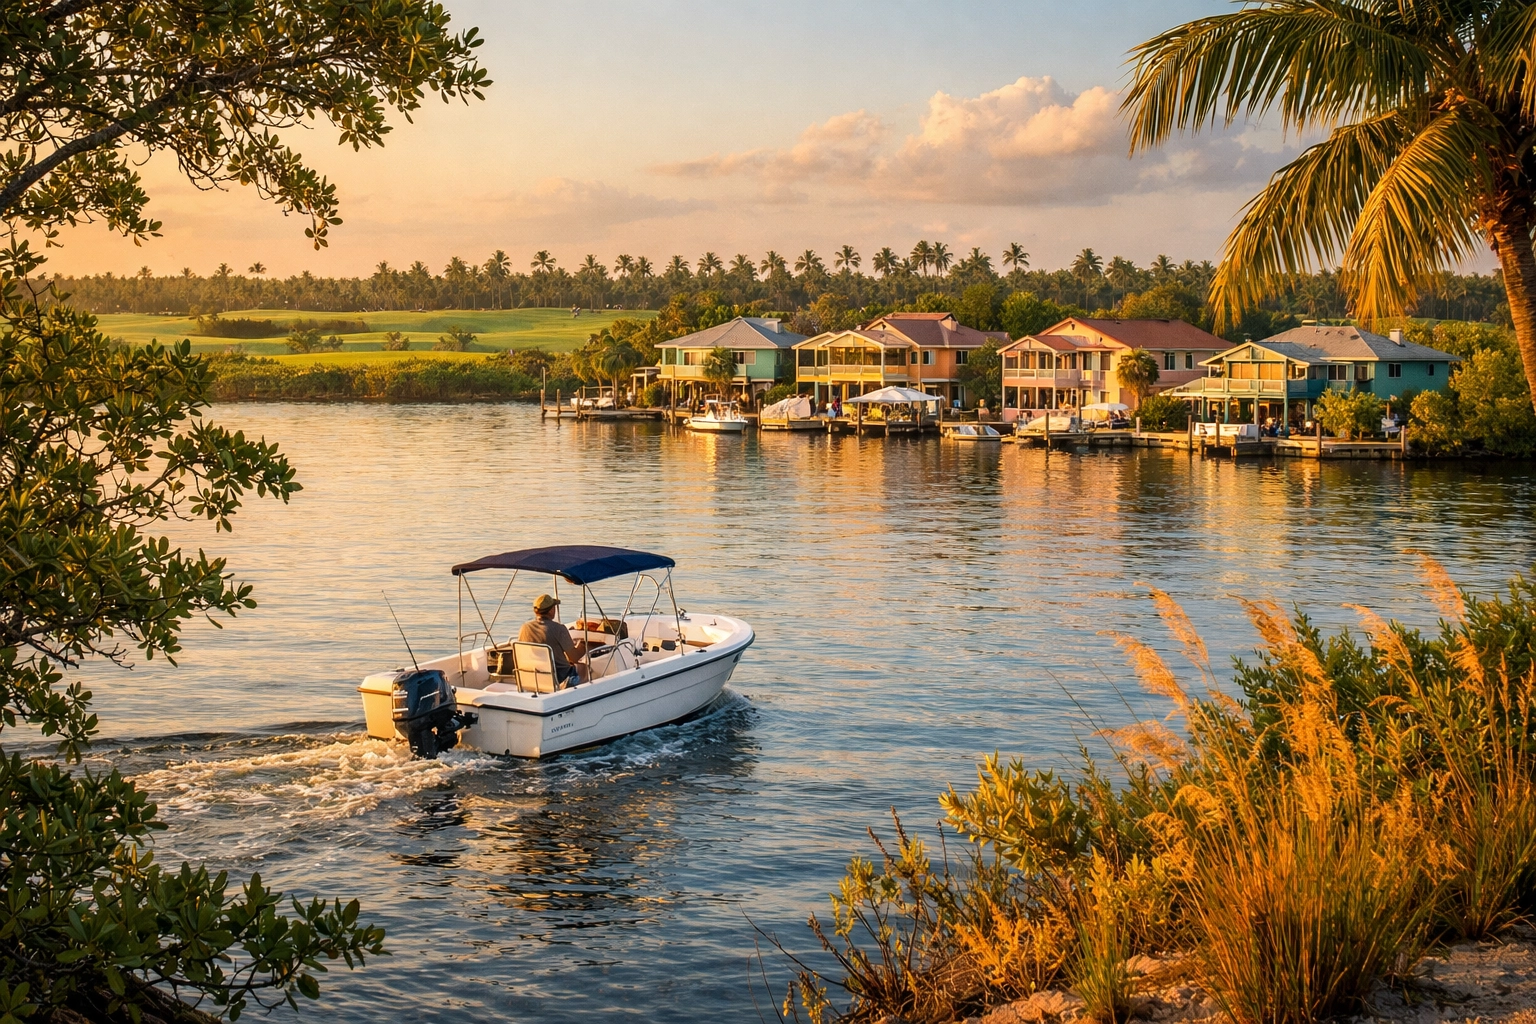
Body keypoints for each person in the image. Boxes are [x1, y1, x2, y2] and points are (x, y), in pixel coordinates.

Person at [518, 593, 586, 687]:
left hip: (535, 675)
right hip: (560, 677)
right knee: (583, 667)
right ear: (551, 611)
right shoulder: (559, 629)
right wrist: (583, 646)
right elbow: (574, 658)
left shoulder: (525, 628)